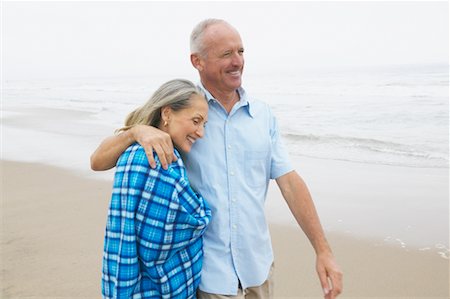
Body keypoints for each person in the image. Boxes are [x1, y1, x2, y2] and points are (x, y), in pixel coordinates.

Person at [92, 19, 343, 299]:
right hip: (207, 277)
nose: (237, 62)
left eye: (241, 51)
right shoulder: (183, 112)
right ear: (197, 61)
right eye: (226, 54)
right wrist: (135, 132)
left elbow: (290, 183)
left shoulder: (263, 116)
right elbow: (97, 161)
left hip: (258, 269)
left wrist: (323, 250)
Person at [101, 79, 211, 299]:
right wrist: (205, 214)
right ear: (167, 114)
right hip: (153, 291)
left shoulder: (166, 155)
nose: (201, 133)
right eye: (196, 121)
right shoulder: (149, 159)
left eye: (204, 125)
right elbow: (154, 244)